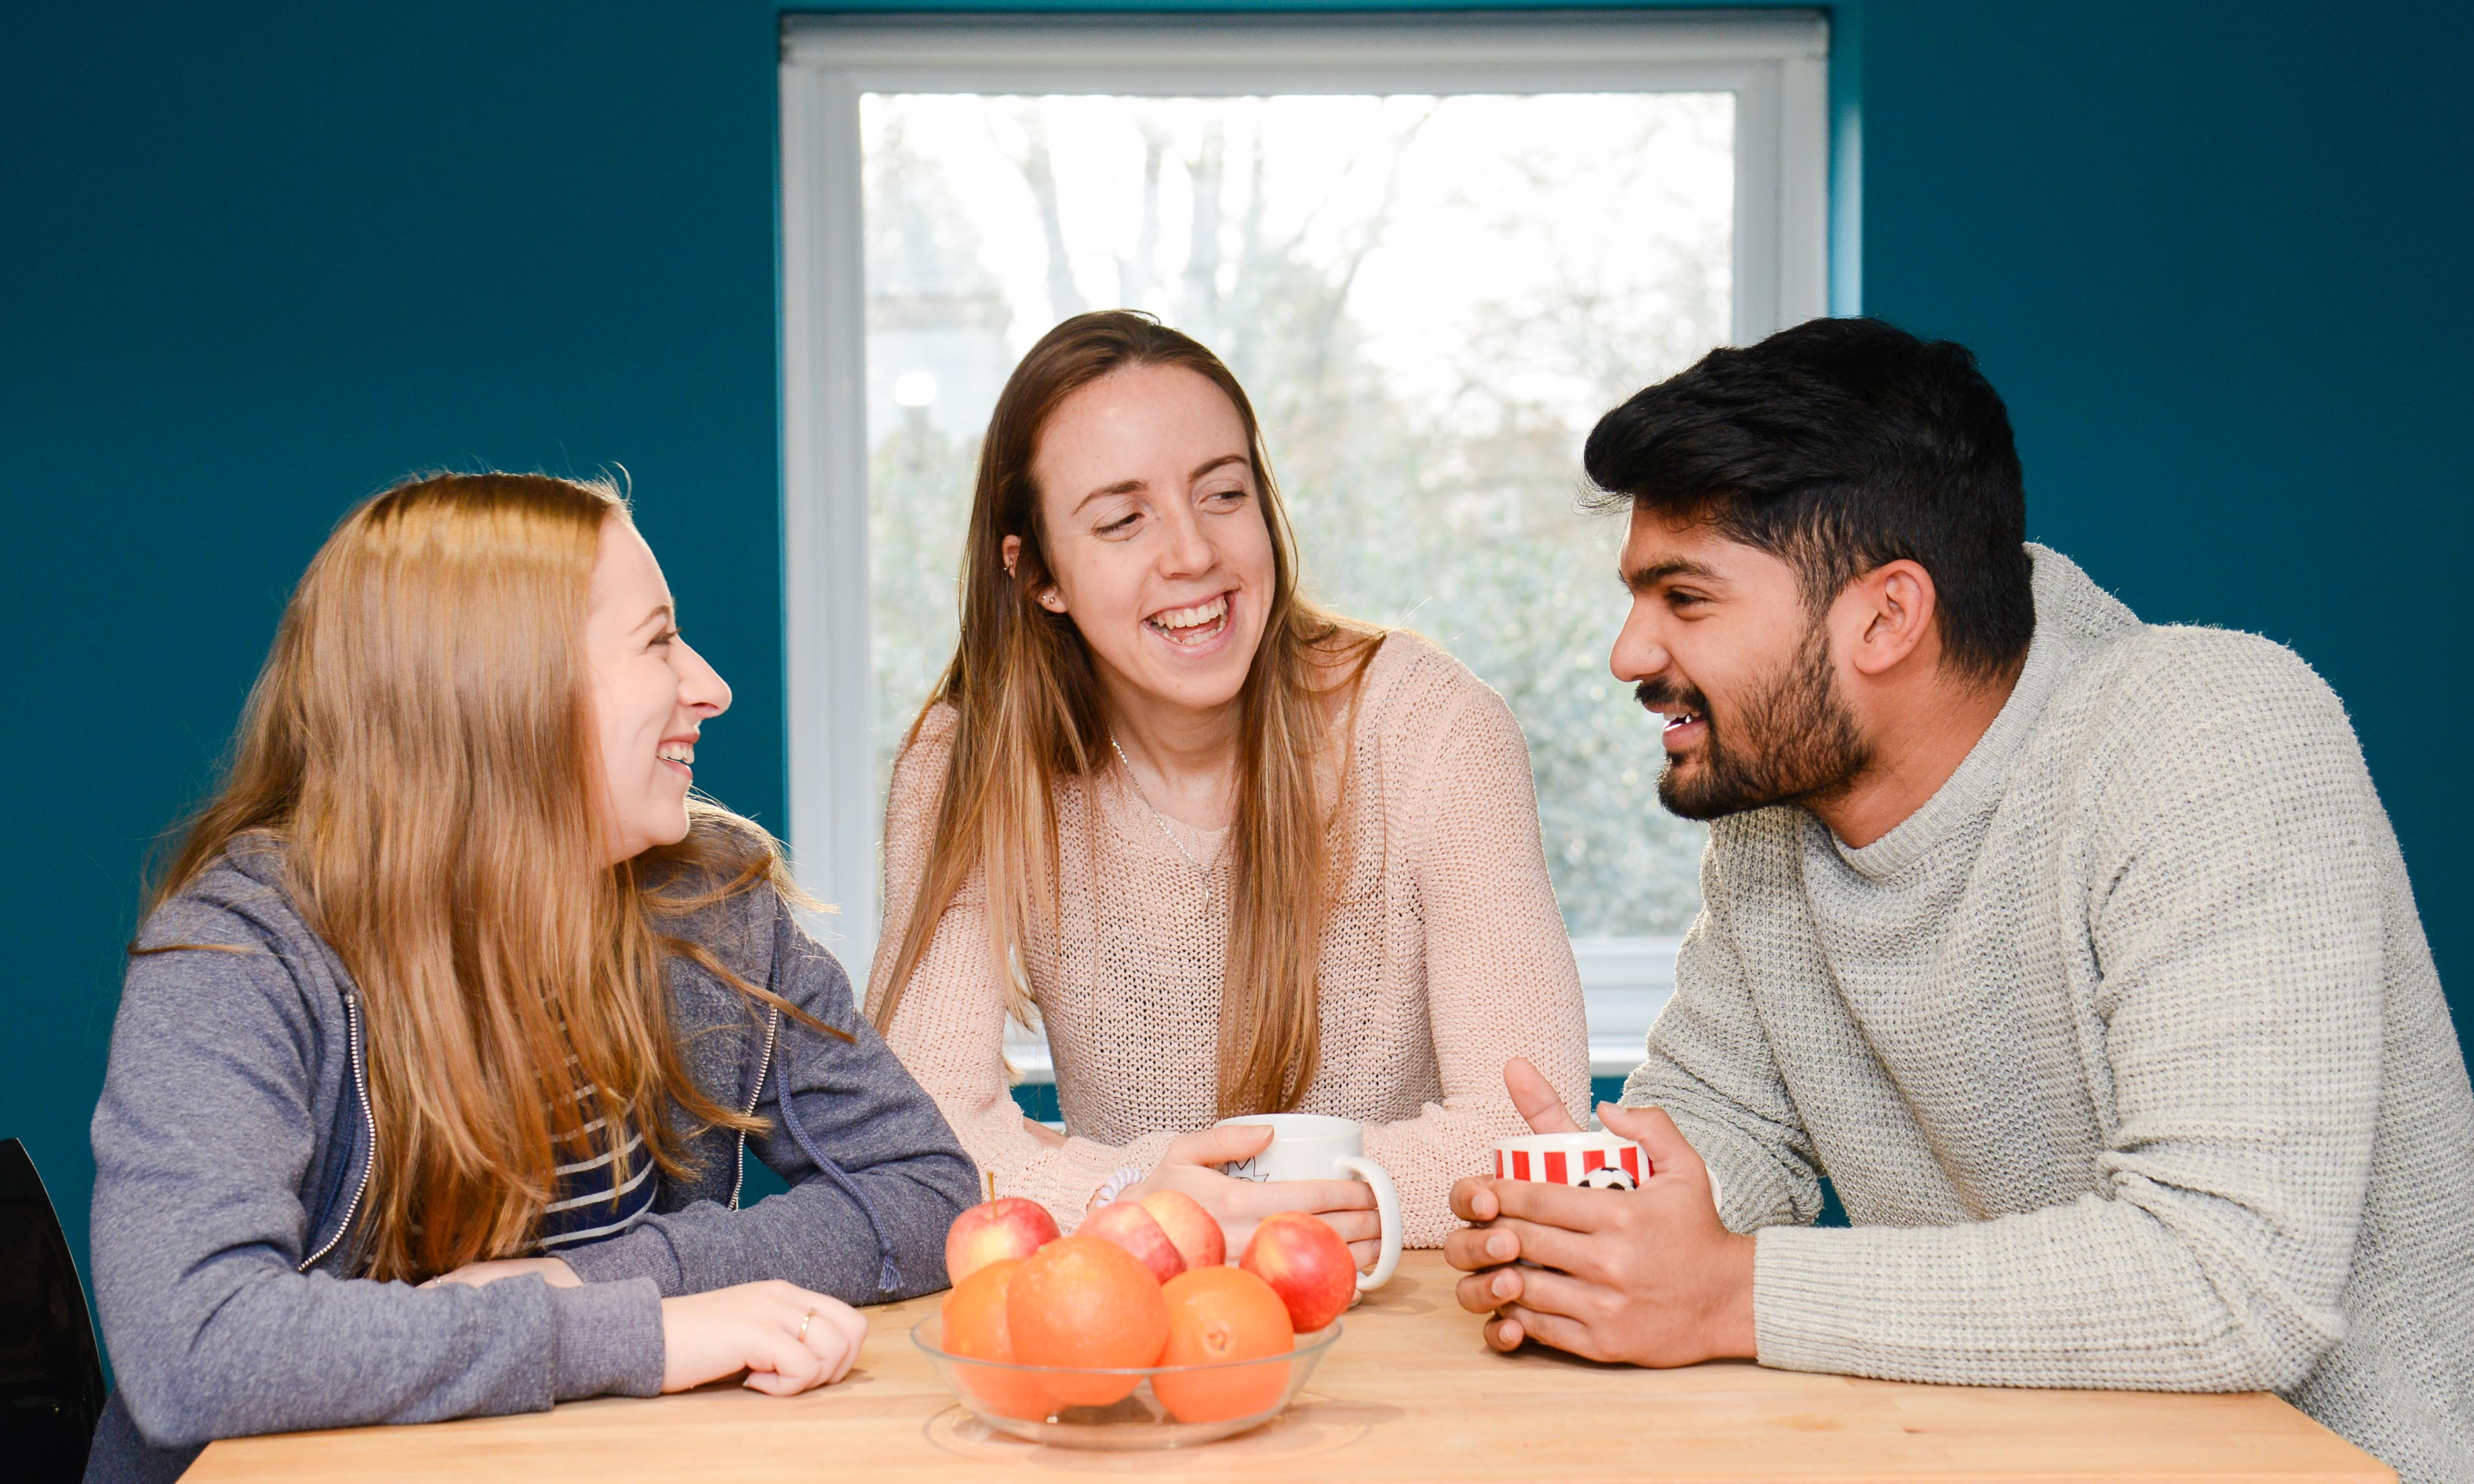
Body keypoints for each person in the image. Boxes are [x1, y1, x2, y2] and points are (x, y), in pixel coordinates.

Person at [1443, 319, 2474, 1483]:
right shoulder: (1781, 817)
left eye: (1684, 596)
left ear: (1887, 615)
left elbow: (2233, 1283)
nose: (1630, 651)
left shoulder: (2216, 740)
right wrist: (1611, 1212)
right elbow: (1721, 1127)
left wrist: (1729, 1291)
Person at [86, 474, 978, 1484]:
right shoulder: (239, 954)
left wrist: (593, 1282)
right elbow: (194, 1348)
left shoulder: (713, 905)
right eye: (656, 642)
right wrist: (632, 1335)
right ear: (505, 694)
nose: (712, 686)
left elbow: (926, 1191)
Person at [868, 310, 1589, 1258]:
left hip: (1411, 1328)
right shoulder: (968, 761)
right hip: (1140, 1325)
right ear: (1037, 571)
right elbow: (923, 1135)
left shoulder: (1433, 730)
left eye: (1222, 494)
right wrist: (1142, 1194)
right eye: (1124, 519)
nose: (1194, 554)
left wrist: (1194, 1199)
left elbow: (1526, 1126)